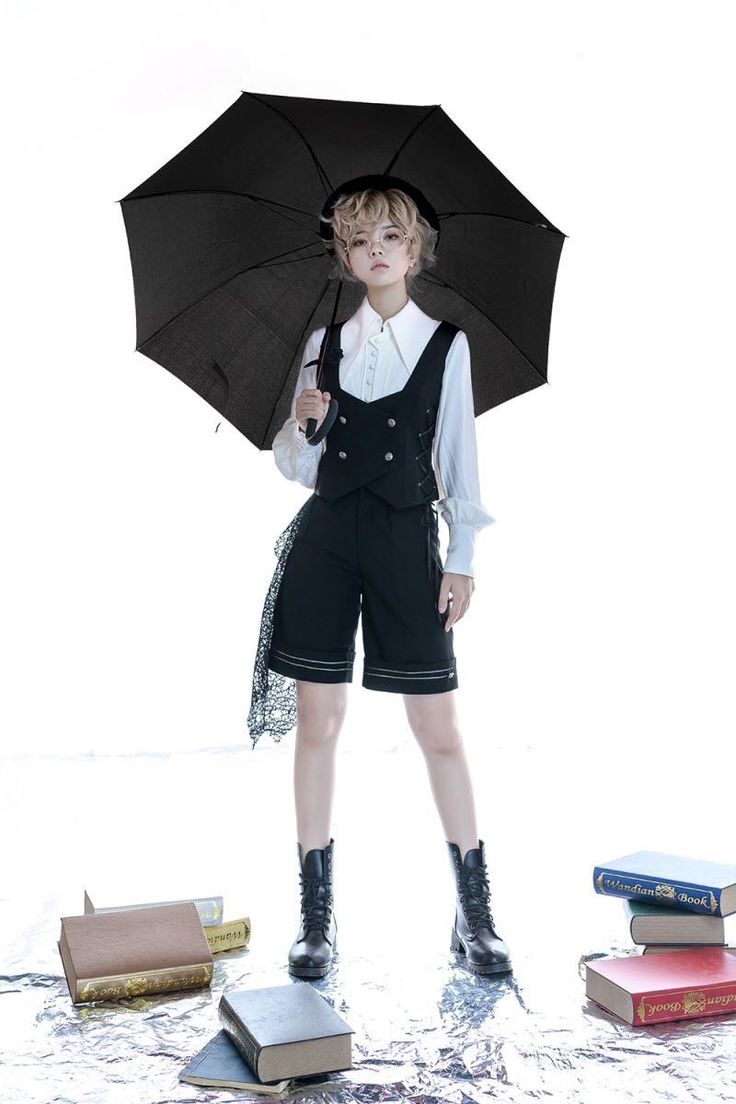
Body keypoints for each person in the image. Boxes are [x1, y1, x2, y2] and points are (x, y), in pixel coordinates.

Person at [248, 183, 512, 980]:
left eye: (391, 235)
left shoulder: (448, 345)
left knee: (439, 728)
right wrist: (303, 422)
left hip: (406, 542)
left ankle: (475, 914)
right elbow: (297, 468)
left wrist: (462, 557)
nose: (376, 250)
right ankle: (316, 920)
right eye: (359, 239)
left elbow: (459, 456)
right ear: (345, 253)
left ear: (417, 247)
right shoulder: (323, 341)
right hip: (326, 541)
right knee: (319, 722)